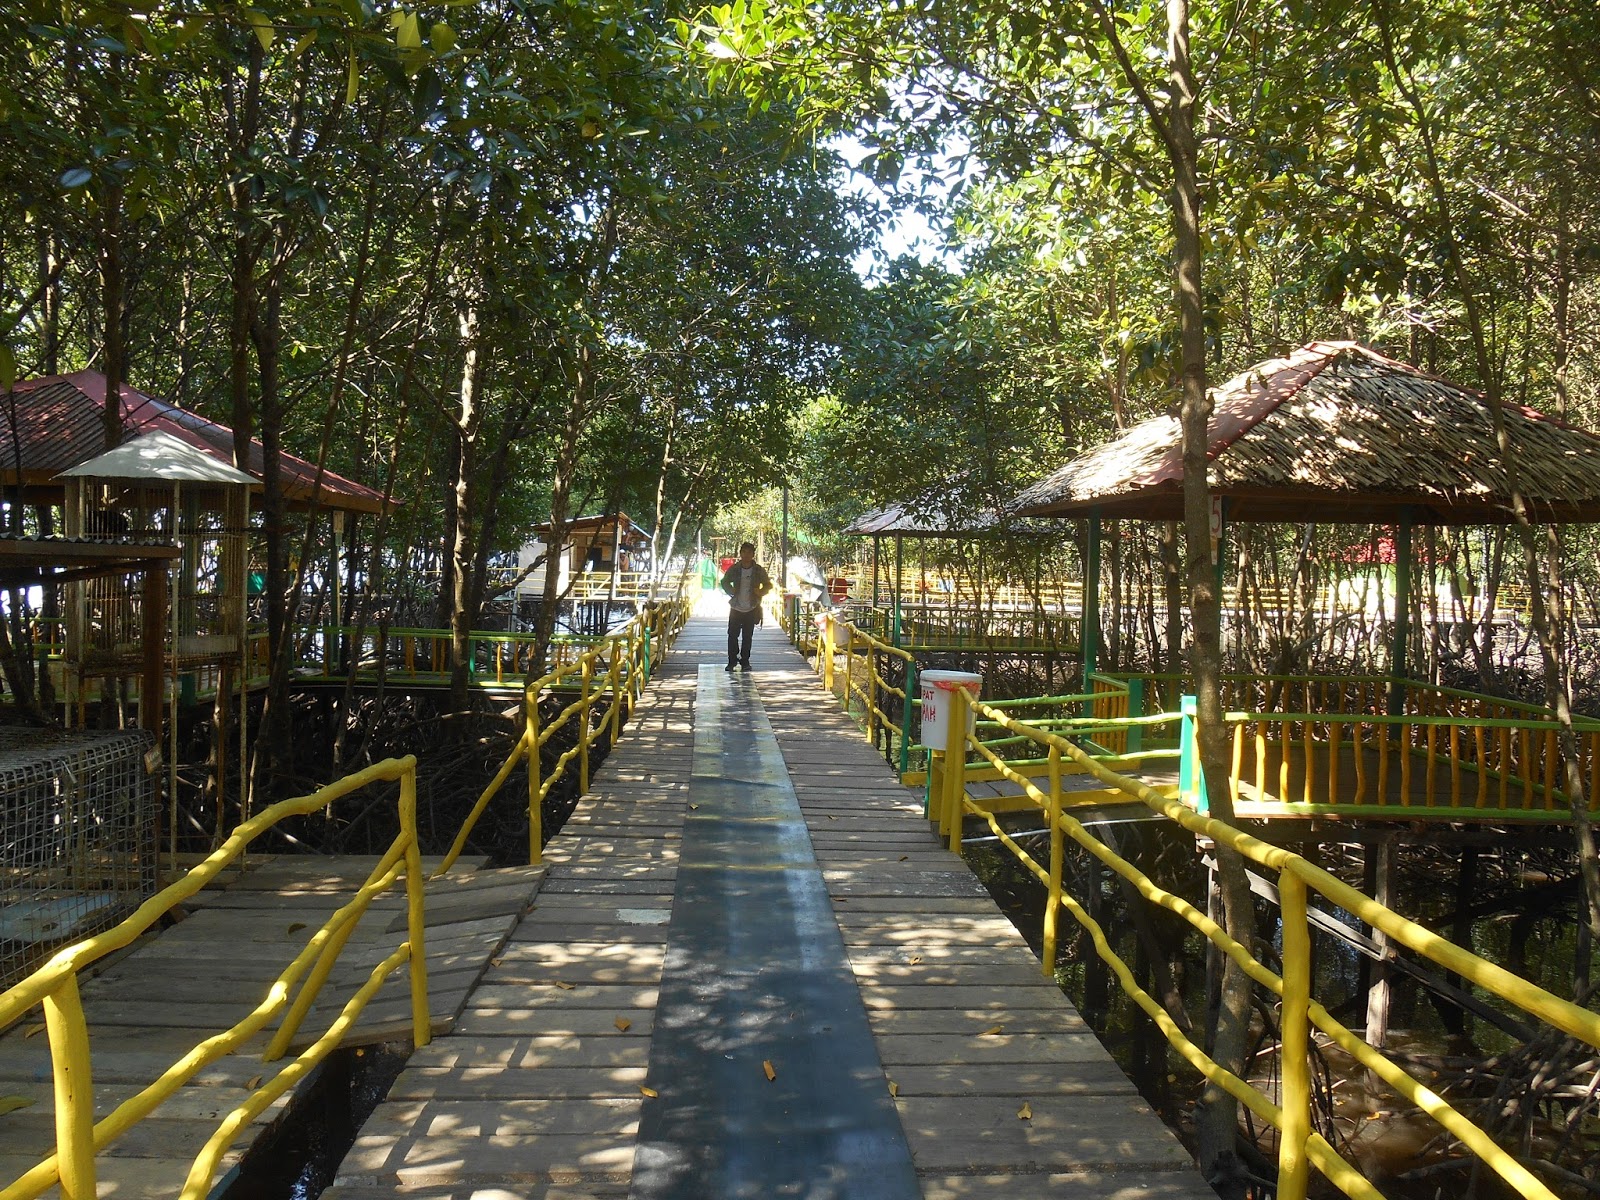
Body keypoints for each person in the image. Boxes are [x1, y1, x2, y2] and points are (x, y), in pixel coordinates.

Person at [720, 541, 771, 671]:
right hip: (736, 606)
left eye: (749, 552)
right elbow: (724, 581)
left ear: (753, 554)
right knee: (732, 635)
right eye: (744, 552)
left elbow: (768, 584)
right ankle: (732, 661)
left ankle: (745, 661)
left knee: (747, 636)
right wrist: (731, 591)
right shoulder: (735, 569)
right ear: (740, 553)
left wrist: (760, 592)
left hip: (752, 607)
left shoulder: (758, 570)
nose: (746, 555)